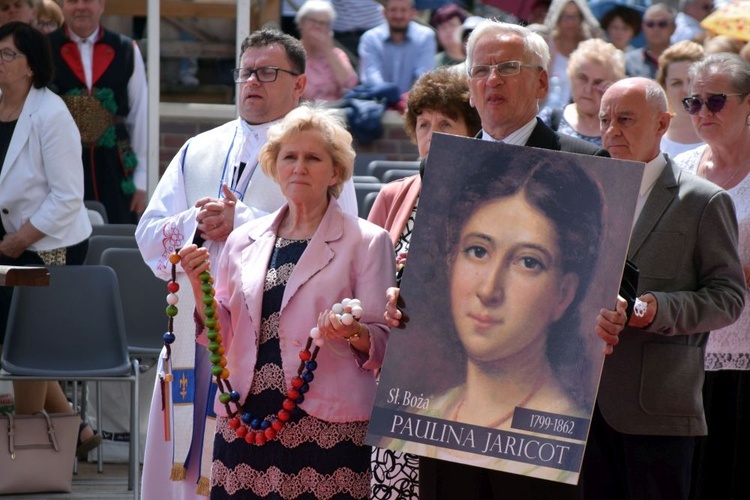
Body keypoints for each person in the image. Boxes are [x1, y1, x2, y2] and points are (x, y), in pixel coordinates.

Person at [385, 19, 628, 500]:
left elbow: (623, 271)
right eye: (481, 70)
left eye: (508, 68)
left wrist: (619, 304)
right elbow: (427, 265)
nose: (492, 80)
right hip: (447, 439)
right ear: (470, 89)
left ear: (541, 81)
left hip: (539, 442)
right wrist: (398, 295)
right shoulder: (443, 165)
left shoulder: (586, 161)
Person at [137, 29, 358, 499]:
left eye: (267, 72)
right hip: (193, 337)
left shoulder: (319, 152)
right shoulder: (200, 148)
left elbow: (343, 241)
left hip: (270, 349)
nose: (252, 81)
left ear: (299, 85)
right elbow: (149, 235)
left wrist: (246, 220)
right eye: (246, 72)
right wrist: (198, 222)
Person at [178, 104, 395, 498]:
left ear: (335, 172)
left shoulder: (368, 241)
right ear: (275, 168)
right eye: (289, 157)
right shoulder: (242, 239)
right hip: (245, 418)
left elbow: (384, 342)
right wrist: (199, 288)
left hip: (330, 425)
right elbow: (223, 339)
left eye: (313, 157)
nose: (299, 167)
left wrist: (353, 331)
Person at [582, 76, 746, 500]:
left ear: (662, 123)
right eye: (604, 120)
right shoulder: (581, 191)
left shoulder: (702, 201)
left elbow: (727, 298)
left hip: (655, 410)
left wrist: (651, 309)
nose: (611, 131)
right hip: (574, 406)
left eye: (625, 119)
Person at [368, 67, 481, 500]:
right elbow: (367, 282)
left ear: (472, 132)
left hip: (468, 380)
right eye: (424, 124)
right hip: (400, 376)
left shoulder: (490, 197)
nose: (431, 134)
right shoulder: (393, 196)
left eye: (446, 124)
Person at [0, 21, 95, 457]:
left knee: (26, 334)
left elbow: (68, 198)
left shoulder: (52, 114)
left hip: (49, 245)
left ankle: (27, 448)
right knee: (15, 332)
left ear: (30, 67)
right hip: (11, 239)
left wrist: (21, 239)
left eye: (7, 55)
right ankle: (79, 433)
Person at [673, 53, 750, 500]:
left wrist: (728, 273)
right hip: (686, 353)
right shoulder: (680, 170)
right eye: (693, 103)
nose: (703, 113)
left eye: (716, 101)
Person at [48, 0, 147, 224]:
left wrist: (142, 179)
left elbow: (140, 117)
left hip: (114, 165)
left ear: (102, 4)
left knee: (116, 229)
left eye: (89, 0)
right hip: (58, 166)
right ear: (63, 5)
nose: (81, 7)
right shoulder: (44, 48)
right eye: (73, 1)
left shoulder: (126, 49)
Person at [539, 38, 625, 146]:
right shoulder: (550, 119)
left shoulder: (620, 131)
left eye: (598, 82)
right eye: (582, 78)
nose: (588, 89)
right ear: (571, 76)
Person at [358, 0, 436, 96]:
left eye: (403, 10)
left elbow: (423, 75)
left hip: (414, 103)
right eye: (393, 10)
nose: (398, 16)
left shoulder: (425, 36)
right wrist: (391, 97)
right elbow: (372, 76)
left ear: (413, 13)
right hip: (379, 102)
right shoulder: (370, 38)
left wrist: (405, 101)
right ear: (384, 13)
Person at [542, 0, 602, 109]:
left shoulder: (589, 46)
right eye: (565, 16)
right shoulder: (546, 44)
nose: (570, 22)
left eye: (575, 16)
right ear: (557, 17)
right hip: (545, 112)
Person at [296, 0, 358, 102]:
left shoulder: (337, 54)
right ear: (301, 23)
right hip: (302, 111)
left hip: (335, 111)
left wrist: (329, 51)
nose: (317, 27)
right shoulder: (291, 53)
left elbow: (350, 84)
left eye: (322, 23)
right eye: (312, 21)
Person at [656, 40, 705, 157]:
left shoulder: (725, 132)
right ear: (664, 87)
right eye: (676, 83)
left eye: (692, 80)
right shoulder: (653, 136)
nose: (686, 90)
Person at [625, 3, 676, 79]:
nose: (656, 29)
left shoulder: (684, 59)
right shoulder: (628, 62)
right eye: (650, 24)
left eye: (662, 24)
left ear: (673, 28)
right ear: (643, 28)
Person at [431, 3, 468, 68]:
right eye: (443, 27)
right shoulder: (432, 63)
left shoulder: (476, 59)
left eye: (452, 25)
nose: (448, 31)